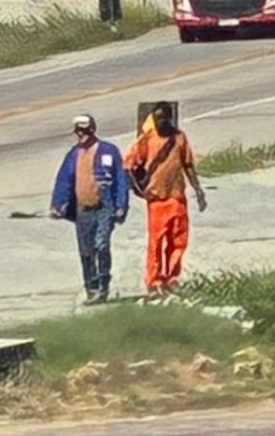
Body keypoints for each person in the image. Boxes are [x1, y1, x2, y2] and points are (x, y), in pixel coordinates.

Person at [125, 102, 207, 296]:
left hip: (177, 197)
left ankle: (171, 277)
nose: (161, 122)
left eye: (164, 118)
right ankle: (153, 280)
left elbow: (187, 165)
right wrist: (138, 190)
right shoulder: (147, 140)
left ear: (170, 118)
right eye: (158, 118)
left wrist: (198, 190)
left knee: (178, 241)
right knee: (156, 243)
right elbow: (128, 165)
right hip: (157, 200)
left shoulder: (179, 138)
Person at [50, 115, 130, 304]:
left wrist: (121, 206)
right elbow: (64, 181)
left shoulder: (108, 151)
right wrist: (57, 204)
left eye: (86, 130)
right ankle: (91, 288)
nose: (82, 134)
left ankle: (103, 285)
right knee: (86, 251)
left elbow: (121, 180)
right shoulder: (73, 155)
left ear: (93, 130)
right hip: (83, 210)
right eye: (78, 130)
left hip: (105, 206)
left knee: (101, 245)